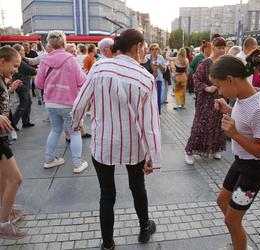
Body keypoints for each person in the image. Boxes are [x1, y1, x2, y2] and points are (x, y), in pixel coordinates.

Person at [72, 28, 161, 250]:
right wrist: (153, 157)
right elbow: (151, 124)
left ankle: (108, 243)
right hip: (133, 144)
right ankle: (143, 228)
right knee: (137, 186)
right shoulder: (145, 77)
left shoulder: (100, 66)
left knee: (107, 194)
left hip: (104, 142)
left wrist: (76, 122)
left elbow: (81, 100)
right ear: (138, 46)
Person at [210, 54, 260, 250]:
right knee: (222, 202)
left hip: (254, 169)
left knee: (231, 221)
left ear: (230, 80)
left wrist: (235, 134)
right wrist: (227, 110)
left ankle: (240, 244)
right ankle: (239, 240)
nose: (218, 91)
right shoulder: (243, 97)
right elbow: (243, 119)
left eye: (219, 86)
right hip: (241, 162)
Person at [35, 30, 88, 173]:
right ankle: (77, 164)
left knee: (55, 130)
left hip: (51, 103)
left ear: (50, 44)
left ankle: (49, 159)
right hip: (69, 103)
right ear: (64, 43)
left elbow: (39, 84)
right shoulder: (71, 59)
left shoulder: (45, 60)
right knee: (75, 132)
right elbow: (82, 81)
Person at [185, 37, 227, 164]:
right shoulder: (205, 63)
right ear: (213, 47)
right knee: (200, 125)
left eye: (223, 48)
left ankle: (215, 149)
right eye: (219, 48)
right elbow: (196, 78)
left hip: (220, 97)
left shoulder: (224, 62)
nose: (222, 50)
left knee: (218, 125)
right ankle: (189, 151)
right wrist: (206, 88)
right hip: (205, 100)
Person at [0, 46, 27, 240]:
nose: (16, 69)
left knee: (3, 179)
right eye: (14, 65)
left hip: (2, 136)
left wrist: (9, 89)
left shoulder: (2, 79)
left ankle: (5, 212)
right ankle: (3, 224)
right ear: (2, 61)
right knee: (16, 179)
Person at [12, 44, 37, 129]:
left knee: (28, 103)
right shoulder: (20, 61)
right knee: (23, 104)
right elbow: (32, 70)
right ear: (17, 52)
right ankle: (13, 124)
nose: (24, 52)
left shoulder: (20, 60)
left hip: (23, 83)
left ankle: (25, 121)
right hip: (22, 84)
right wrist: (36, 70)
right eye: (22, 50)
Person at [147, 43, 166, 114]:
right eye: (152, 49)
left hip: (158, 80)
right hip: (149, 80)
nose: (154, 51)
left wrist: (160, 65)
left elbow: (165, 70)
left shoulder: (161, 58)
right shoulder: (147, 57)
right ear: (150, 50)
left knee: (158, 96)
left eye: (156, 49)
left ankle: (158, 113)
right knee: (149, 96)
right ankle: (150, 112)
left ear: (158, 50)